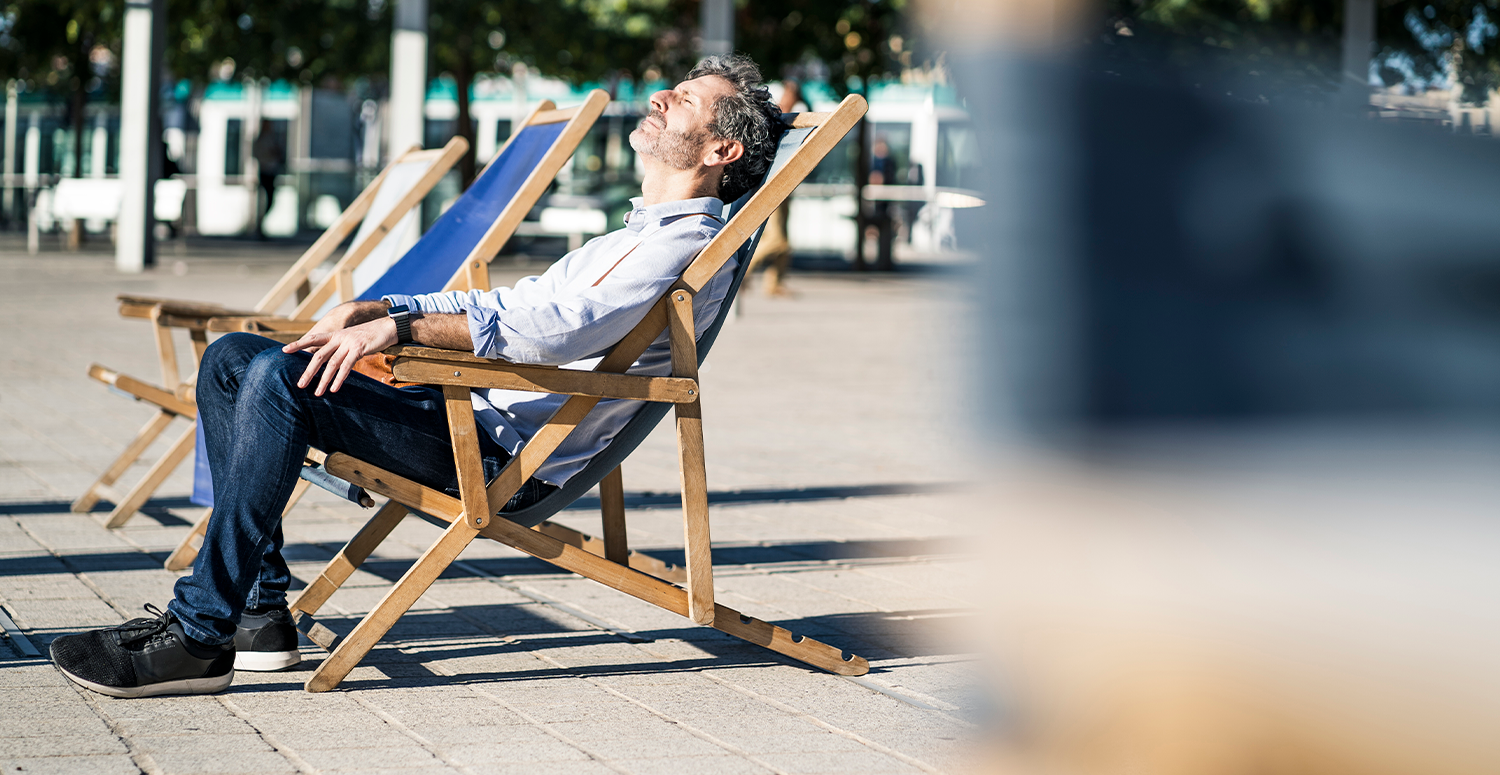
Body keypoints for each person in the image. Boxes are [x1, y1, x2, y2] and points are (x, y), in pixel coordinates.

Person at [49, 55, 781, 699]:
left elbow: (560, 328)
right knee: (233, 358)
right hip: (460, 413)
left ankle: (198, 635)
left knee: (278, 378)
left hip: (496, 454)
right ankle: (258, 613)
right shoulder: (633, 234)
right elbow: (518, 304)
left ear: (724, 147)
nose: (659, 98)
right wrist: (390, 304)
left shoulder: (681, 243)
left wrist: (399, 330)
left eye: (683, 100)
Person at [746, 79, 807, 297]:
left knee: (784, 240)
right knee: (778, 240)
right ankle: (742, 274)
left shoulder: (790, 118)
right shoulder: (774, 119)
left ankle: (774, 283)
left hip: (784, 184)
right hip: (772, 185)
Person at [251, 120, 285, 239]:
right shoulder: (261, 140)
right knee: (265, 200)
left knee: (270, 200)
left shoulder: (272, 139)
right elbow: (256, 154)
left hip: (271, 172)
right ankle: (258, 226)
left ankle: (260, 225)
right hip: (265, 172)